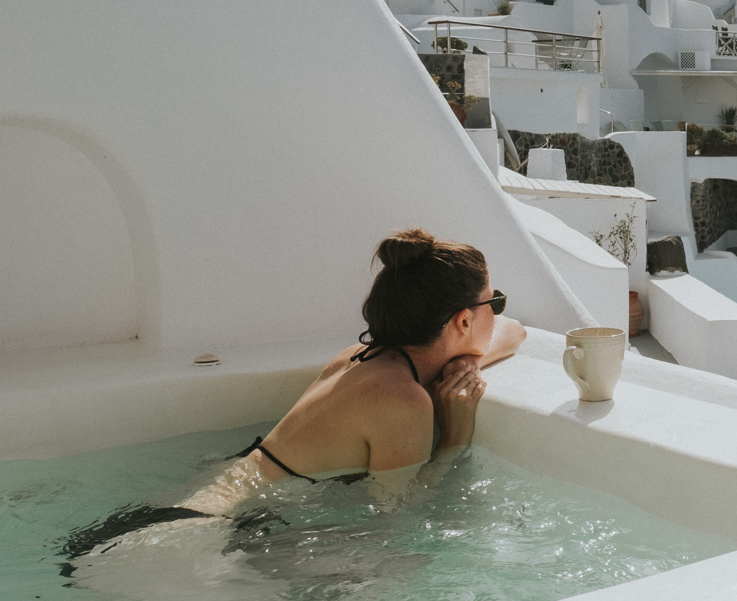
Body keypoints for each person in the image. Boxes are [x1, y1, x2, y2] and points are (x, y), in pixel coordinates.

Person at [60, 229, 526, 567]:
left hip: (170, 519)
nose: (500, 311)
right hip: (189, 544)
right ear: (463, 322)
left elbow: (514, 332)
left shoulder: (359, 358)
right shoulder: (404, 401)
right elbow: (397, 513)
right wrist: (456, 436)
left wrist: (466, 362)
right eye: (495, 301)